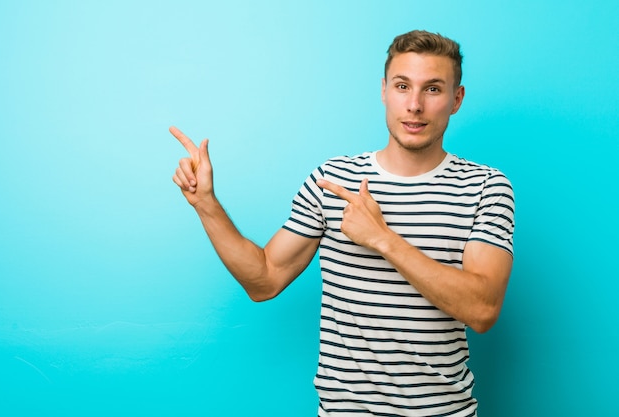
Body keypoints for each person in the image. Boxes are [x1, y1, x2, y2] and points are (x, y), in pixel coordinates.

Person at [171, 30, 514, 417]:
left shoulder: (486, 186)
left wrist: (383, 239)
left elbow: (483, 310)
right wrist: (206, 204)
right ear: (384, 90)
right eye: (403, 86)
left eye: (433, 89)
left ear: (456, 99)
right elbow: (264, 280)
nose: (414, 105)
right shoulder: (331, 180)